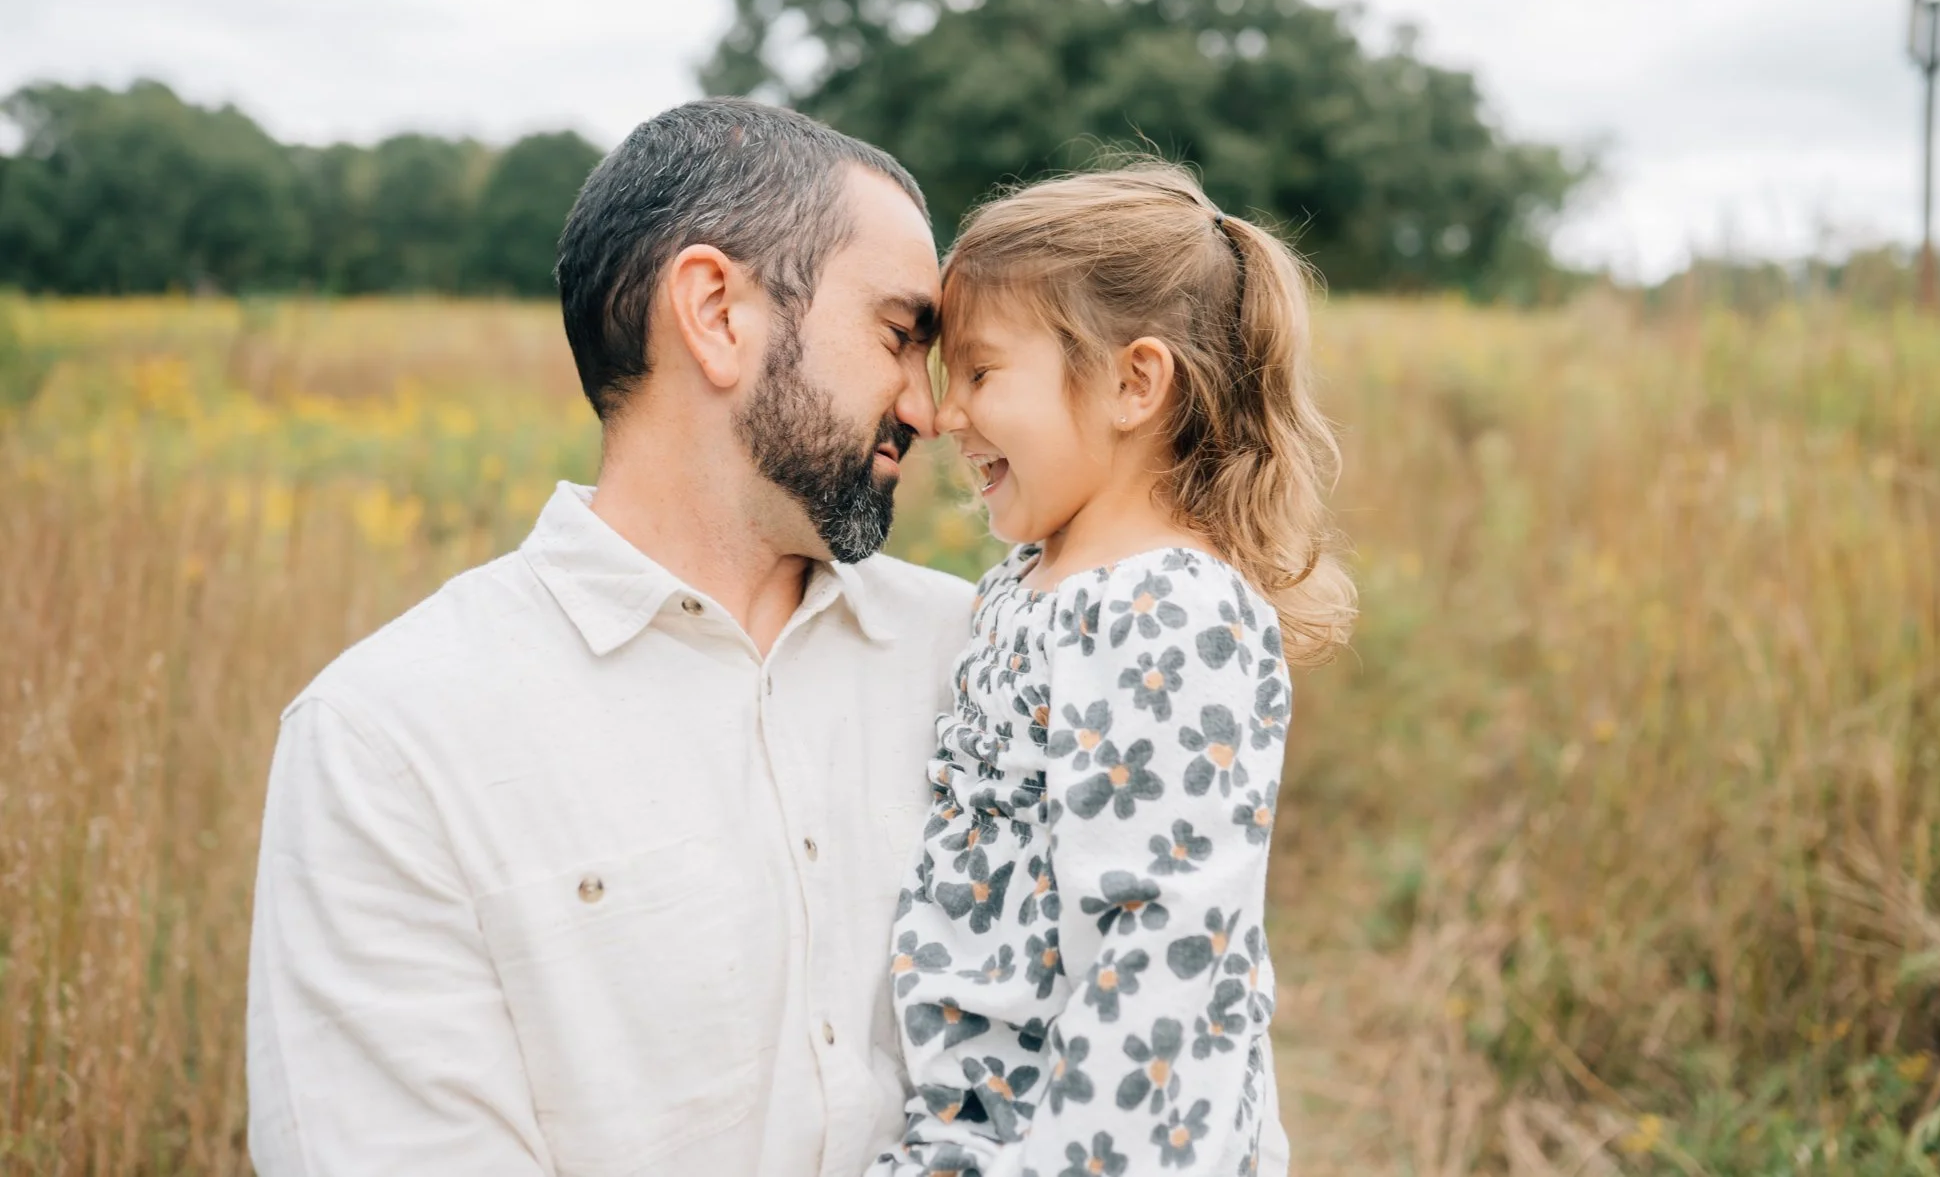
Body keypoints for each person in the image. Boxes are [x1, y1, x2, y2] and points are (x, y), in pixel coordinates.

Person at [245, 98, 975, 1176]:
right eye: (899, 336)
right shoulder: (388, 741)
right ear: (716, 313)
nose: (931, 408)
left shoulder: (979, 655)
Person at [869, 163, 1356, 1177]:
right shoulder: (1025, 584)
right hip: (979, 1124)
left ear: (1134, 384)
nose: (947, 414)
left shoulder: (1171, 610)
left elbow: (1160, 964)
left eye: (981, 372)